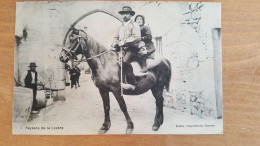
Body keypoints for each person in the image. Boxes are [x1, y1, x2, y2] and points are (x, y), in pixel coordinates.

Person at [111, 6, 142, 90]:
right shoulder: (120, 27)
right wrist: (114, 43)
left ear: (130, 15)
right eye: (123, 13)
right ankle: (117, 81)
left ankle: (132, 82)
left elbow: (137, 37)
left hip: (132, 48)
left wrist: (124, 42)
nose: (125, 15)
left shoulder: (134, 25)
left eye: (127, 13)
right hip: (121, 49)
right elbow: (115, 37)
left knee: (124, 61)